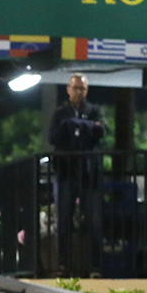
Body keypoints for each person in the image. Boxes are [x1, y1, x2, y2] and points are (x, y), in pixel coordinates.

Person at [48, 73, 107, 275]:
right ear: (68, 89)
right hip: (66, 173)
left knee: (94, 222)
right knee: (63, 220)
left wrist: (76, 125)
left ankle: (95, 267)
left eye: (82, 88)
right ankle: (63, 265)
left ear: (87, 90)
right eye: (75, 88)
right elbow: (53, 136)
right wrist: (83, 127)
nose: (78, 92)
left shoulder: (94, 110)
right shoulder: (60, 112)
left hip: (90, 174)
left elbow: (102, 130)